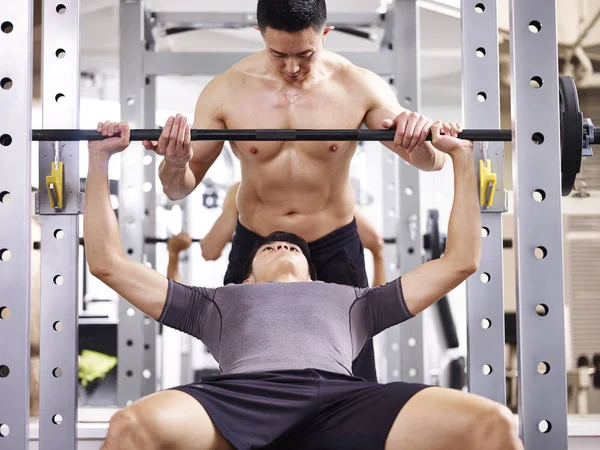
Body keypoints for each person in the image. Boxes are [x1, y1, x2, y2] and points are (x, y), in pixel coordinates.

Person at [86, 121, 523, 450]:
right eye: (270, 245)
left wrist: (463, 158)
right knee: (129, 427)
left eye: (293, 247)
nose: (283, 244)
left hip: (344, 400)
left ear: (314, 274)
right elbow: (107, 264)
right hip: (239, 400)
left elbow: (460, 261)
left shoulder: (355, 301)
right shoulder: (215, 302)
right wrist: (99, 158)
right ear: (245, 275)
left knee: (495, 424)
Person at [148, 0, 451, 381]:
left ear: (325, 34)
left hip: (333, 242)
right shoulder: (226, 91)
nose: (292, 68)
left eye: (305, 54)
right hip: (257, 244)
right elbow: (177, 189)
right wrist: (174, 163)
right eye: (278, 54)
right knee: (246, 369)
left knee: (351, 371)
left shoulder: (358, 86)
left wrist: (418, 141)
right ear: (260, 35)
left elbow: (433, 162)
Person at [201, 182, 386, 287]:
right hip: (258, 254)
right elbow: (376, 241)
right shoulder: (241, 193)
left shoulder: (241, 193)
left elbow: (209, 250)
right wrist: (378, 256)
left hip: (328, 251)